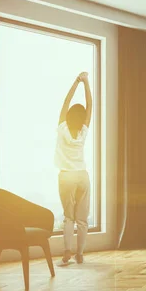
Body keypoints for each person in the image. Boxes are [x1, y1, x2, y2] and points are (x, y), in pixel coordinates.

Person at [54, 72, 92, 265]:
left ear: (68, 116)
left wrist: (76, 82)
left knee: (68, 217)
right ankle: (80, 254)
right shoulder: (83, 131)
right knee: (82, 219)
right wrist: (86, 82)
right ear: (83, 117)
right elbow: (90, 105)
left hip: (66, 176)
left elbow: (66, 102)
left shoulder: (62, 128)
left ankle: (67, 252)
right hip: (82, 176)